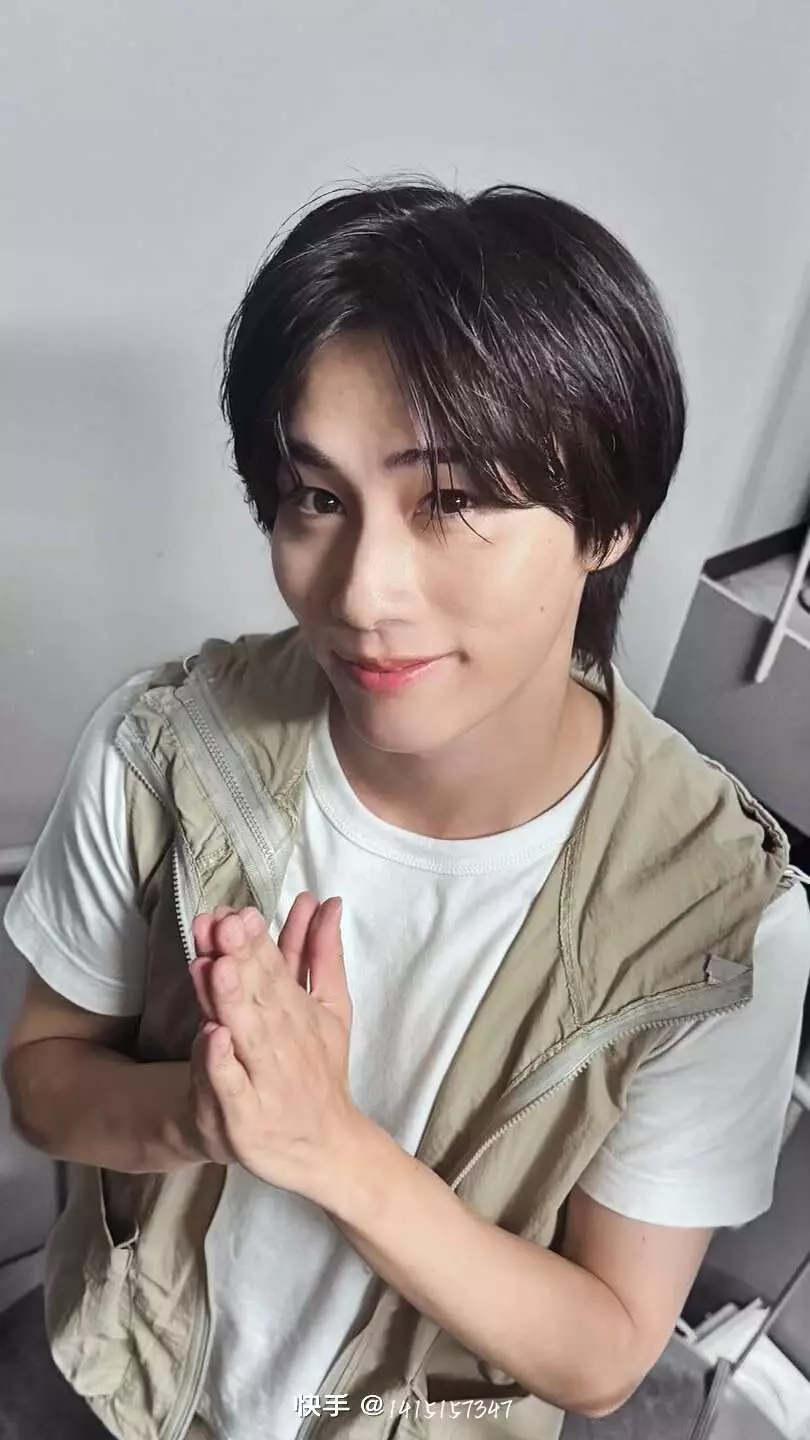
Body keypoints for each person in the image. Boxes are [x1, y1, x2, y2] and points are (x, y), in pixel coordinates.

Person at [3, 180, 809, 1440]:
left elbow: (603, 1350)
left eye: (454, 501)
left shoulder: (717, 925)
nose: (363, 592)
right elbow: (46, 1085)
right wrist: (197, 1115)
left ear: (610, 521)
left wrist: (327, 1144)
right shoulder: (165, 749)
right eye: (318, 498)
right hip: (127, 1383)